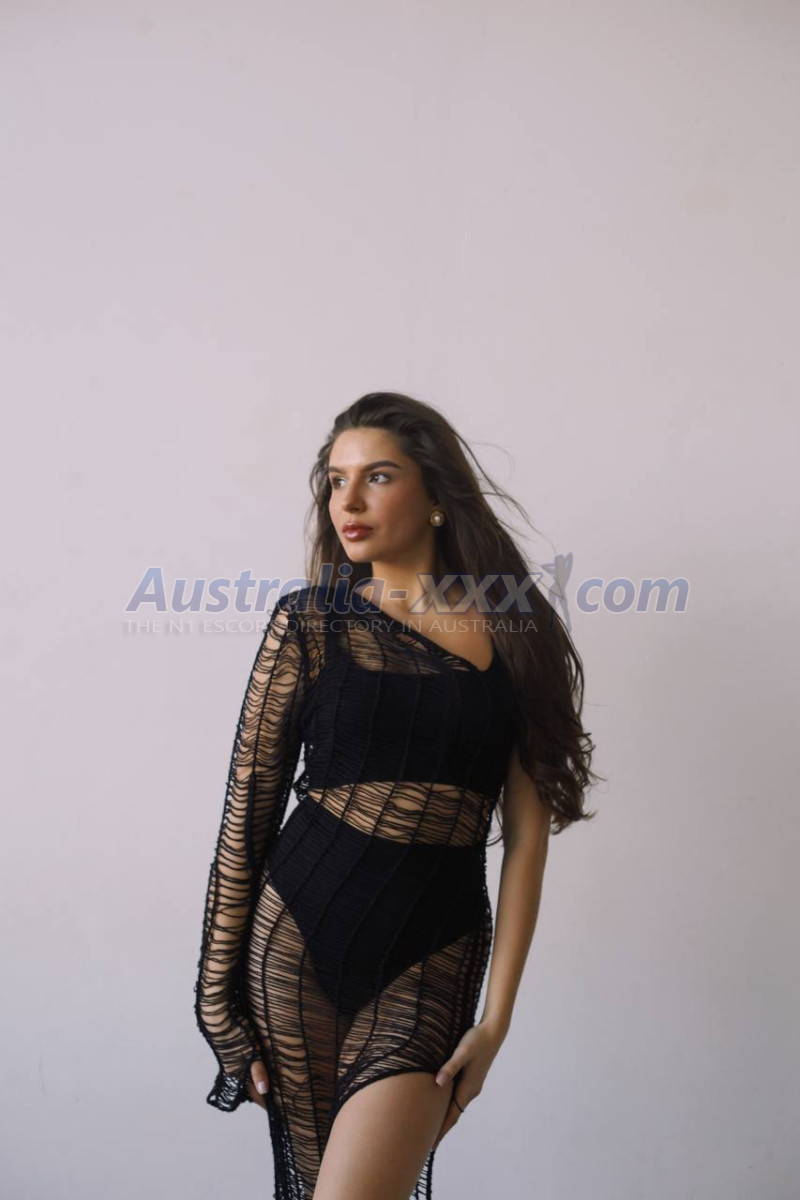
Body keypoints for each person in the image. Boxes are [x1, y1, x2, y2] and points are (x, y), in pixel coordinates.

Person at [194, 391, 600, 1200]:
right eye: (335, 481)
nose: (347, 501)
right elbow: (249, 811)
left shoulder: (519, 632)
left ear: (437, 496)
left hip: (431, 955)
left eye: (376, 476)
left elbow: (527, 838)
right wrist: (215, 998)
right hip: (295, 936)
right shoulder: (310, 623)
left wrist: (496, 1020)